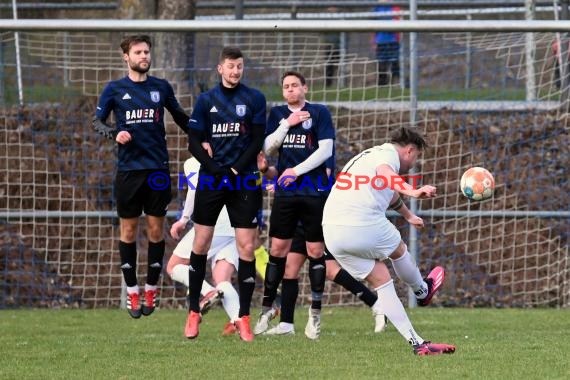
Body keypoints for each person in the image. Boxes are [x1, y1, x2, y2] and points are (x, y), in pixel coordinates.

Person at [322, 127, 456, 356]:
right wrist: (413, 192)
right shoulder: (387, 158)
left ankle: (418, 343)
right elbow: (387, 175)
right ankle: (422, 290)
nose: (414, 163)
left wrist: (408, 215)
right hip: (360, 223)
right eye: (416, 157)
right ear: (409, 150)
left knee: (382, 279)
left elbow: (389, 193)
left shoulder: (368, 156)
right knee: (399, 249)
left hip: (332, 232)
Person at [92, 34, 192, 319]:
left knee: (156, 232)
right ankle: (132, 291)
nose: (144, 56)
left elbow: (182, 118)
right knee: (127, 232)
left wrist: (203, 139)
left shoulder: (161, 87)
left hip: (157, 170)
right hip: (128, 172)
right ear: (126, 56)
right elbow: (96, 121)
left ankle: (151, 287)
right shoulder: (114, 89)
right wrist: (114, 133)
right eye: (138, 52)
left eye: (147, 52)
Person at [185, 46, 267, 341]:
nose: (235, 71)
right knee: (201, 243)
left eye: (240, 67)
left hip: (244, 181)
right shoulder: (206, 100)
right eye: (231, 66)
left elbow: (257, 139)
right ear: (220, 68)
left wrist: (233, 170)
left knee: (247, 247)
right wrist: (213, 168)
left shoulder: (255, 98)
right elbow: (193, 142)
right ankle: (194, 311)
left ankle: (243, 317)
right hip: (212, 180)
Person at [255, 71, 335, 340]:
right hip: (286, 194)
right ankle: (267, 309)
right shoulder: (278, 113)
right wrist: (286, 124)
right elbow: (266, 148)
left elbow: (325, 150)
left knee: (315, 250)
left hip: (313, 192)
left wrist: (296, 171)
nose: (290, 90)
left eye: (294, 85)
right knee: (277, 249)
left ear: (305, 87)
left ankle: (315, 314)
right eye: (286, 86)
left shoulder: (320, 112)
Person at [260, 223, 388, 336]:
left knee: (330, 270)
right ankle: (286, 325)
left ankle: (377, 305)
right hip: (298, 222)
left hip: (317, 219)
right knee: (289, 270)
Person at [168, 157, 241, 336]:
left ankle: (208, 292)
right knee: (222, 277)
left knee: (173, 266)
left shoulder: (193, 161)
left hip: (215, 222)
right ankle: (237, 320)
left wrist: (184, 219)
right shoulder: (234, 153)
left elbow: (194, 190)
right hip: (237, 223)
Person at [373, 1, 401, 86]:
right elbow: (372, 27)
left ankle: (396, 84)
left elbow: (399, 24)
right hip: (380, 42)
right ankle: (382, 85)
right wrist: (374, 41)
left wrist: (398, 38)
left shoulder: (395, 7)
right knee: (381, 65)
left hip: (393, 41)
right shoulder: (376, 9)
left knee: (395, 64)